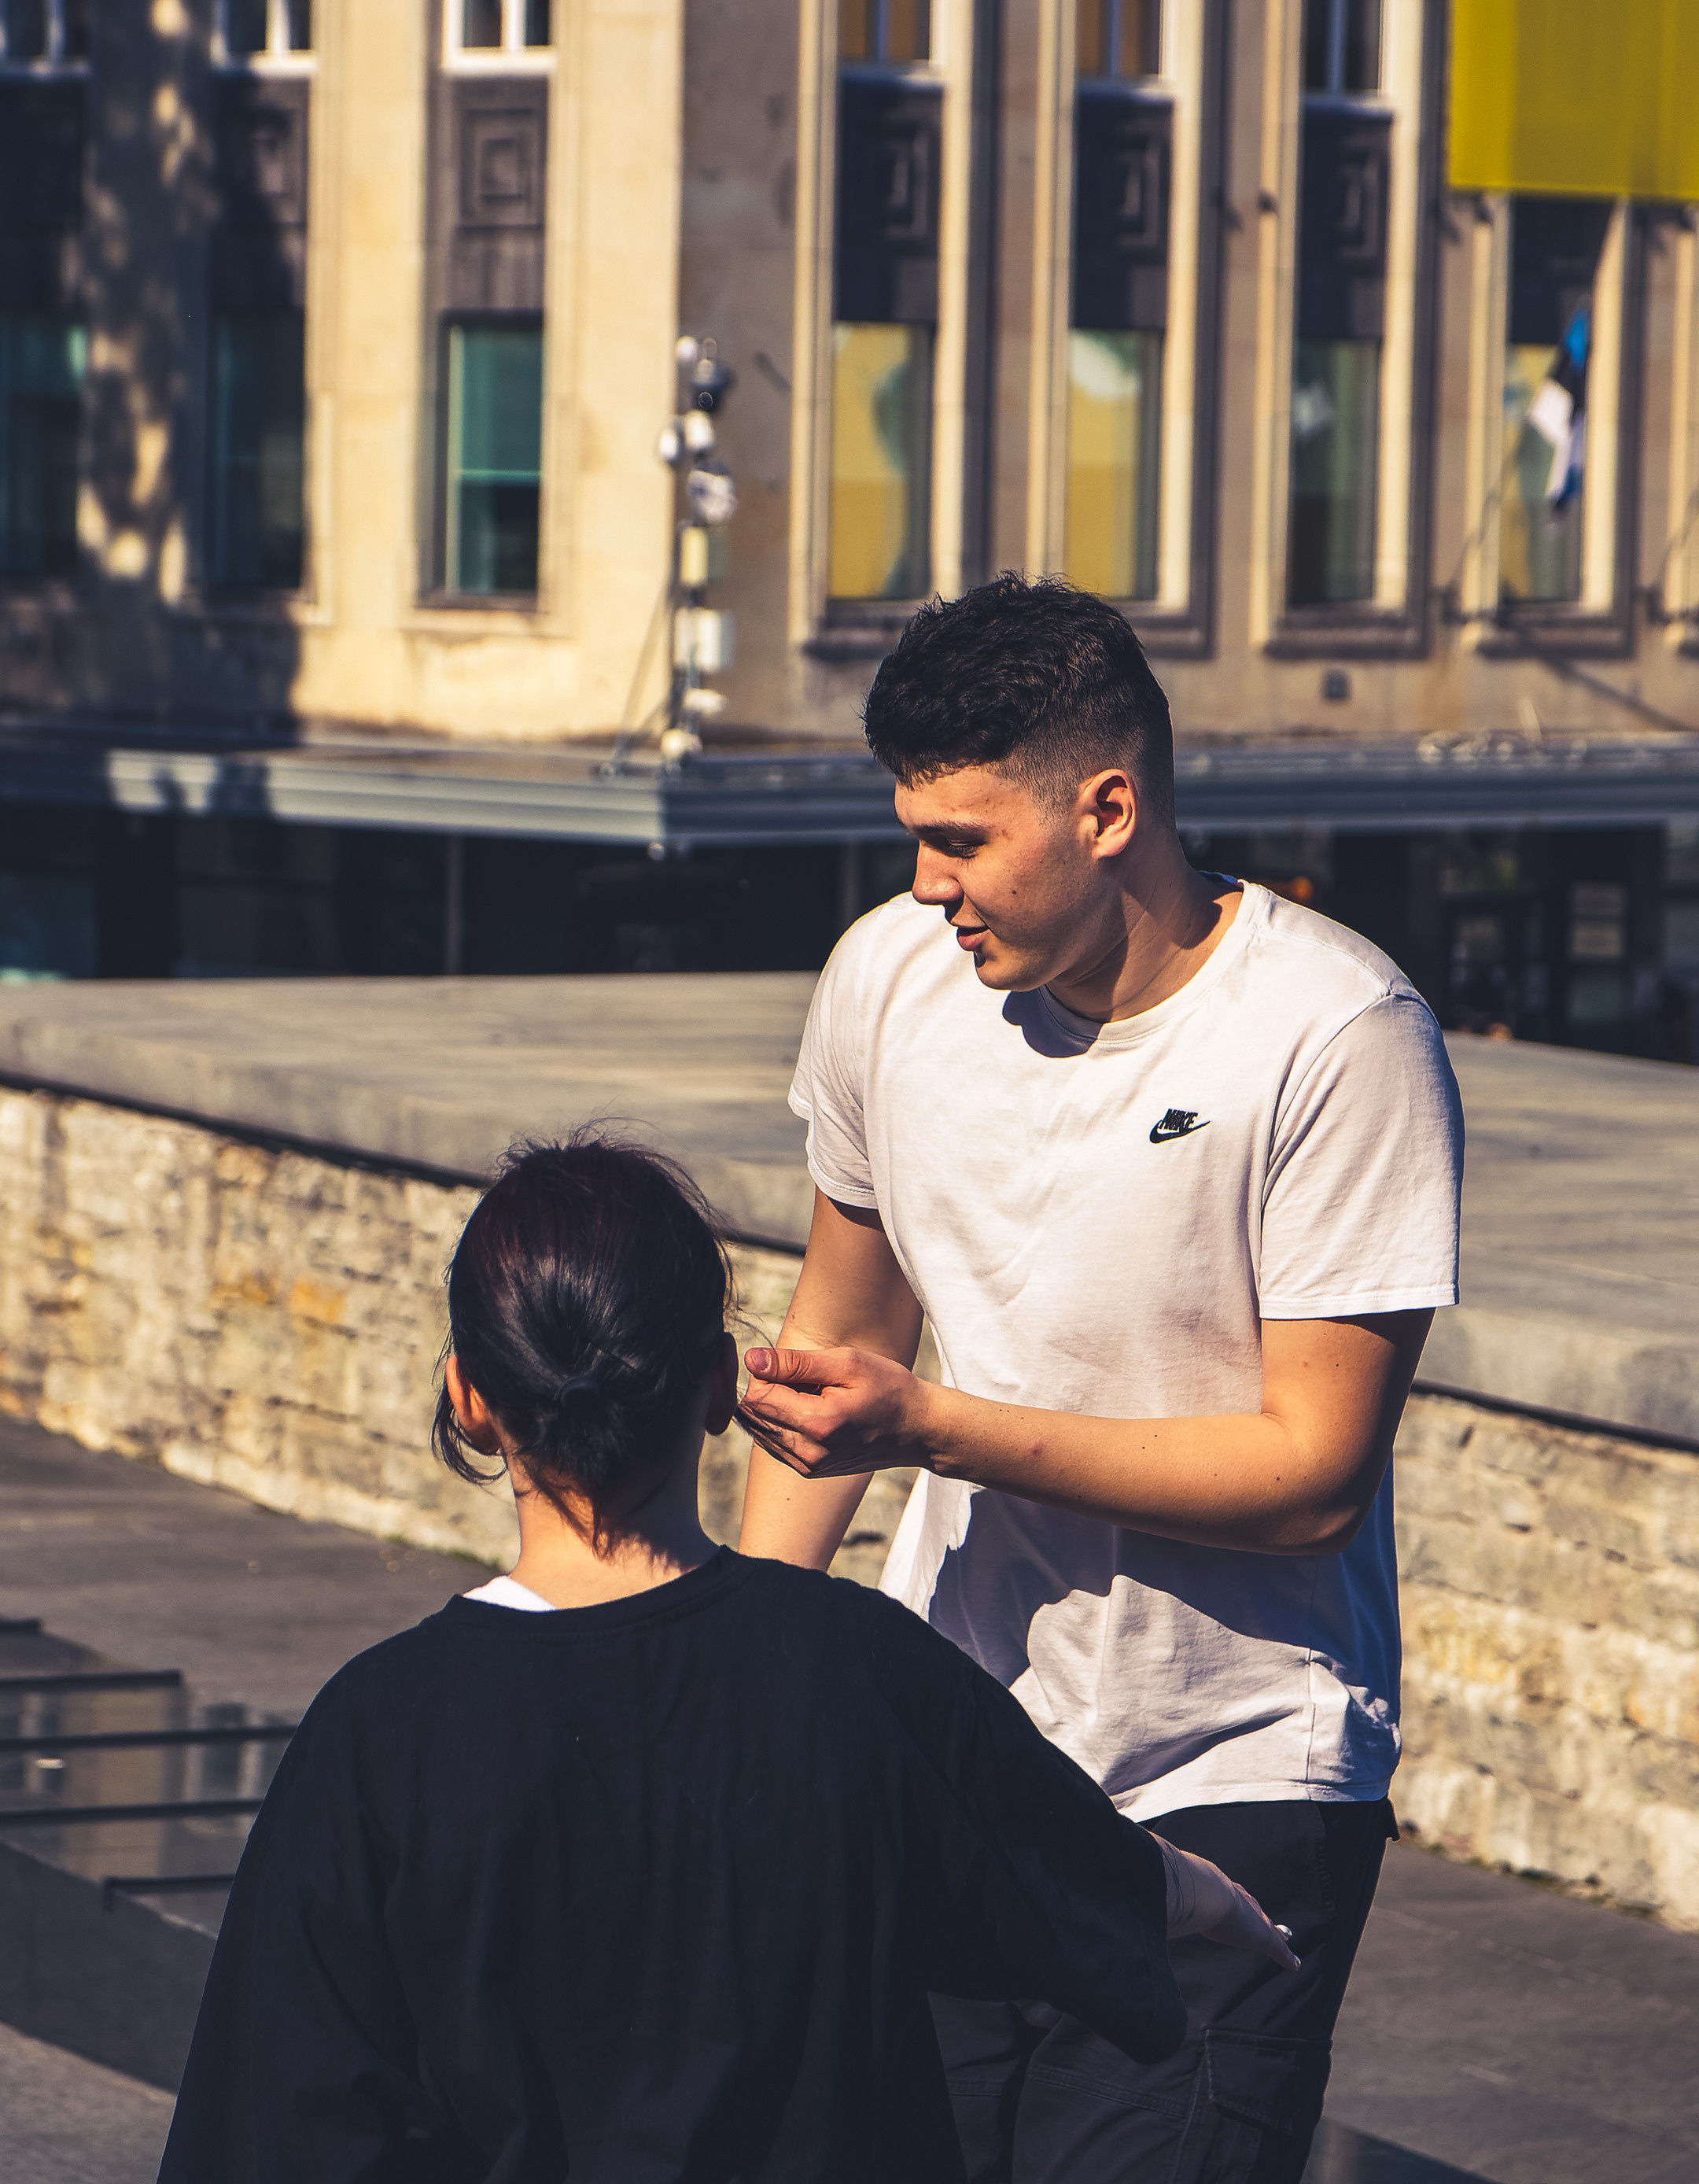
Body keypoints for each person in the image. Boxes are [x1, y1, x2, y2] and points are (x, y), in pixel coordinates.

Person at [158, 1134, 1297, 2184]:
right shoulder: (853, 1667)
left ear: (469, 1399)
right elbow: (1053, 1857)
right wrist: (1207, 1899)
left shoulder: (379, 1732)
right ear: (718, 1385)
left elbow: (284, 2117)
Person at [738, 576, 1464, 2182]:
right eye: (913, 836)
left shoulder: (1337, 1034)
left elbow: (1313, 1469)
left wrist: (935, 1426)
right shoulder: (887, 979)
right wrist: (740, 1672)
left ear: (1108, 806)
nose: (928, 885)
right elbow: (840, 1341)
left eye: (964, 841)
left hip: (1233, 1783)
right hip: (956, 1758)